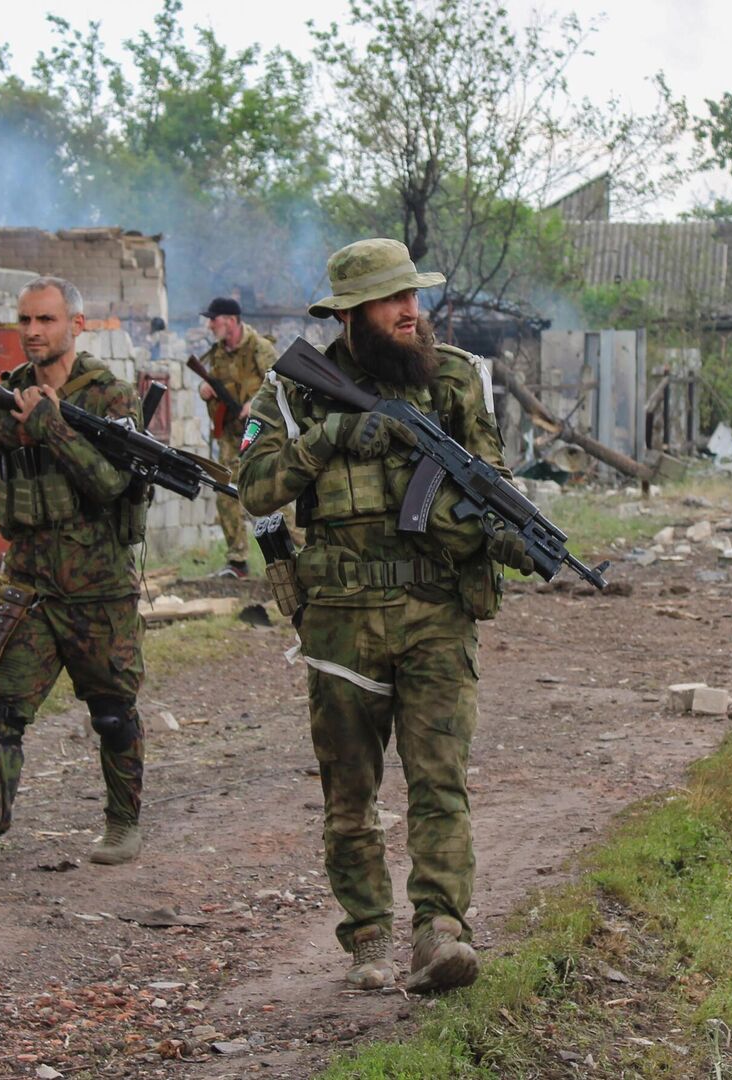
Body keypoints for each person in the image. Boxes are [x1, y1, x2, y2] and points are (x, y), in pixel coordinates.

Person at [235, 238, 532, 994]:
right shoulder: (290, 392)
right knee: (351, 796)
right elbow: (256, 488)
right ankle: (367, 933)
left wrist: (505, 533)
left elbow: (491, 480)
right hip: (340, 621)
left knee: (440, 782)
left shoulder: (459, 379)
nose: (411, 310)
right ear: (350, 314)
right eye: (392, 299)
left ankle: (440, 930)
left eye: (414, 296)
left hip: (436, 611)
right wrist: (332, 437)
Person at [0, 276, 149, 872]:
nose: (32, 332)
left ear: (76, 325)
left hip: (98, 589)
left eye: (46, 320)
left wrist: (50, 427)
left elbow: (111, 484)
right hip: (29, 585)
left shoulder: (112, 398)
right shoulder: (5, 394)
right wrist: (5, 429)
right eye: (25, 320)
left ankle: (122, 823)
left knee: (112, 712)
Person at [194, 297, 278, 578]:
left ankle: (298, 552)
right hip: (231, 436)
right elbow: (211, 383)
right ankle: (237, 561)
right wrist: (204, 390)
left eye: (214, 319)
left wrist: (254, 403)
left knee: (272, 491)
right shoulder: (217, 354)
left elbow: (281, 382)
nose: (209, 325)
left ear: (230, 320)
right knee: (225, 491)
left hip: (261, 433)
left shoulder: (259, 348)